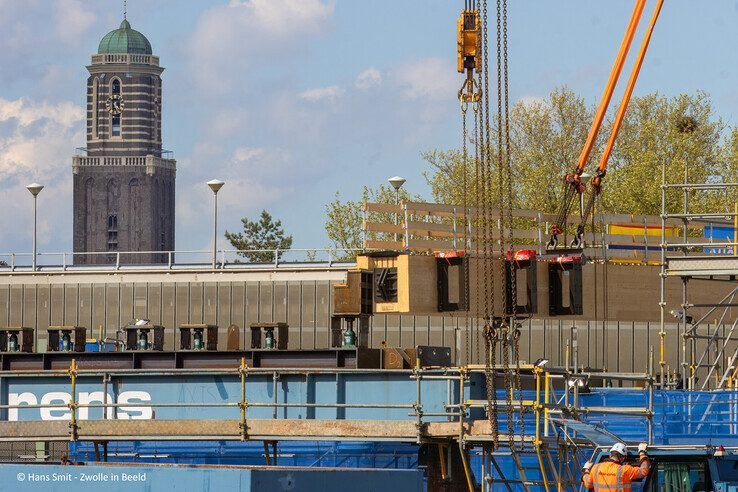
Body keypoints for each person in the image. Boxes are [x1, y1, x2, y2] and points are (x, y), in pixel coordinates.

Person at [582, 442, 650, 491]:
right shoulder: (625, 470)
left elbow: (588, 484)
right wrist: (642, 453)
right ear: (623, 458)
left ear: (610, 455)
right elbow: (644, 470)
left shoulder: (596, 468)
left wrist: (586, 470)